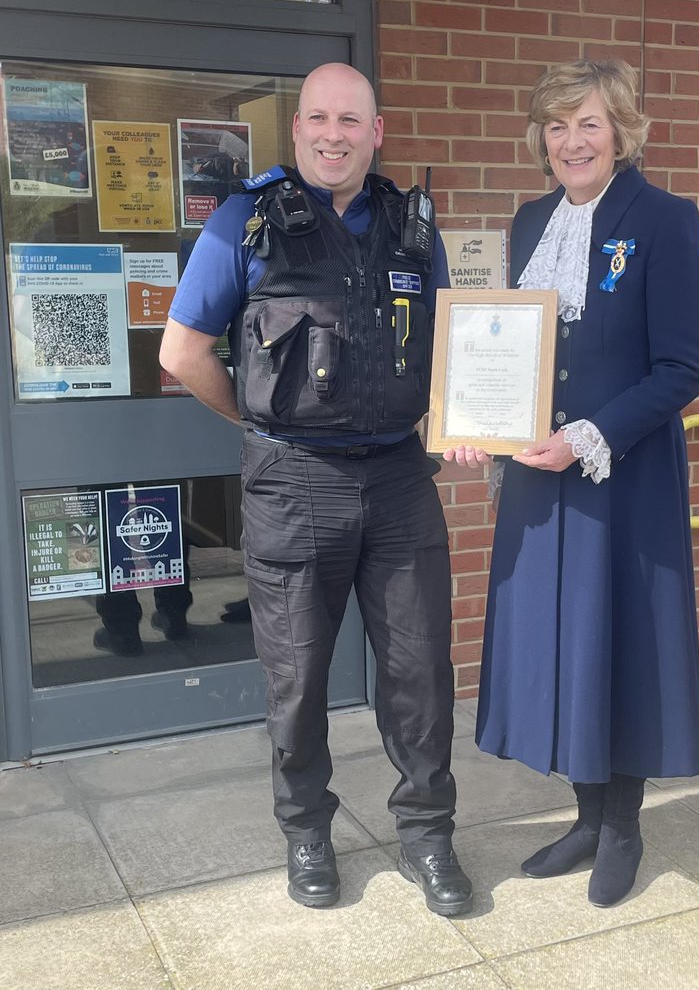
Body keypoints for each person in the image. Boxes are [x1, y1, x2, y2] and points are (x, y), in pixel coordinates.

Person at [160, 63, 473, 916]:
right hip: (293, 480)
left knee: (420, 672)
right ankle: (306, 834)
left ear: (377, 133)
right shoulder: (244, 221)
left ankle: (428, 835)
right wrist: (258, 423)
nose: (335, 135)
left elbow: (451, 347)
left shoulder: (414, 228)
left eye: (352, 120)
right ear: (297, 129)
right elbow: (181, 352)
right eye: (320, 119)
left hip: (400, 477)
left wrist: (462, 420)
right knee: (297, 679)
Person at [446, 57, 699, 908]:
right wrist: (480, 426)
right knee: (564, 642)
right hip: (539, 477)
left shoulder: (665, 219)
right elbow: (513, 350)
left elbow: (682, 368)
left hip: (620, 475)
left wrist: (589, 437)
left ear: (621, 132)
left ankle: (623, 827)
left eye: (588, 123)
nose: (571, 142)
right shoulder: (530, 221)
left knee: (619, 640)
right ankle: (587, 817)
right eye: (556, 126)